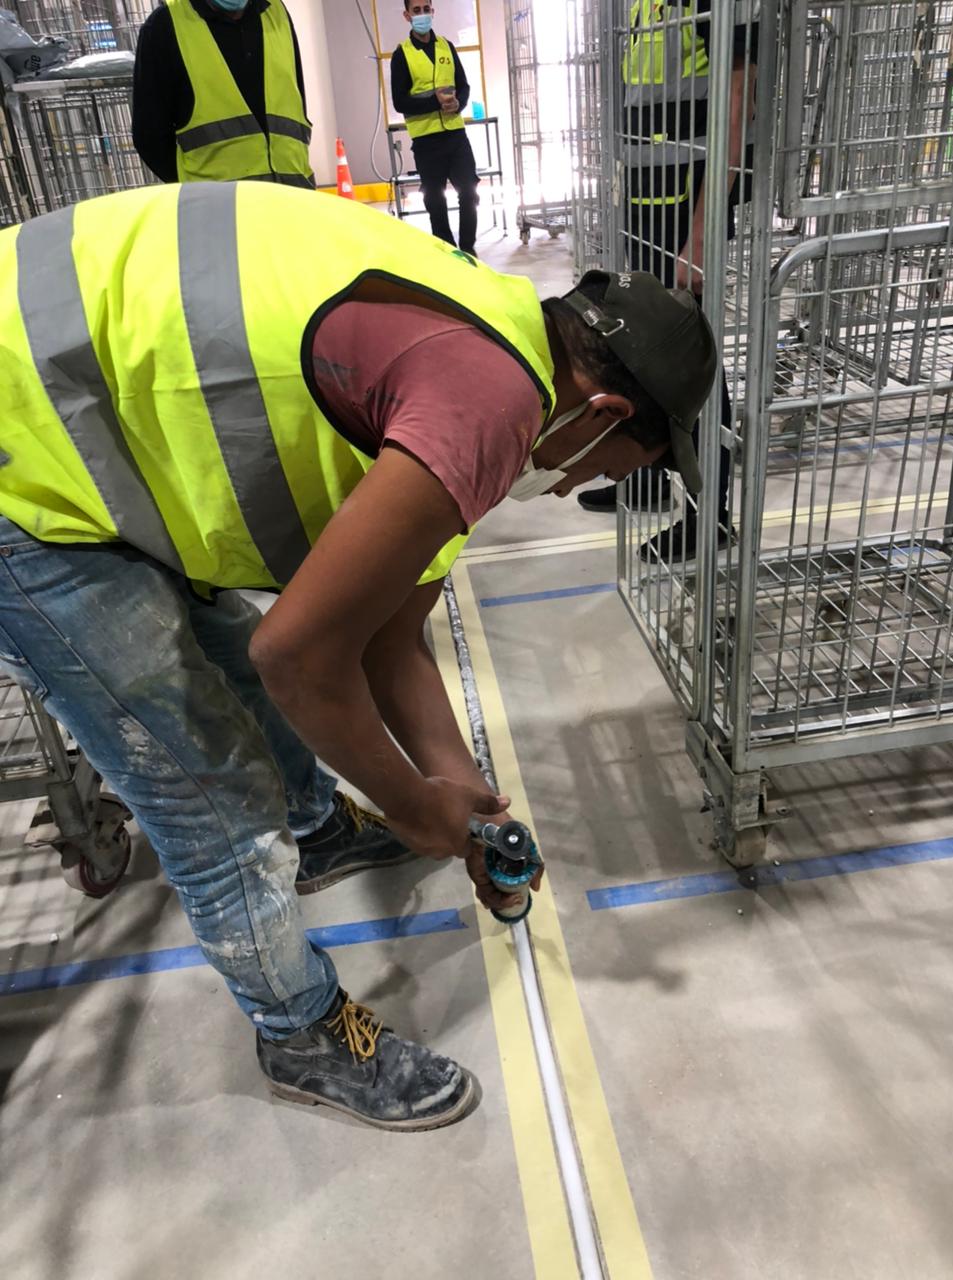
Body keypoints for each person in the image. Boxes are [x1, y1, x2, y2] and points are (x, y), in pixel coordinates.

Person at [0, 182, 715, 1130]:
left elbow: (391, 636)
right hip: (24, 440)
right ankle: (297, 1031)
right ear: (608, 411)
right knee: (209, 790)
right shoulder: (490, 408)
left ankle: (320, 830)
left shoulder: (504, 338)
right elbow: (300, 657)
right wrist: (414, 805)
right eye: (626, 464)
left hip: (68, 397)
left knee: (226, 665)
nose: (580, 486)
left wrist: (466, 800)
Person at [577, 0, 757, 565]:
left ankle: (709, 514)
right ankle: (648, 477)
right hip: (646, 208)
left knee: (692, 363)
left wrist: (702, 233)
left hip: (686, 210)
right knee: (638, 352)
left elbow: (738, 99)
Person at [132, 0, 313, 187]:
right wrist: (194, 189)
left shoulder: (276, 12)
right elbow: (150, 137)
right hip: (218, 202)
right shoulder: (164, 25)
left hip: (293, 196)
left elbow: (296, 106)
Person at [390, 2, 479, 255]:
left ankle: (468, 250)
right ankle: (449, 253)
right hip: (426, 140)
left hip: (455, 134)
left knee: (469, 192)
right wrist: (435, 103)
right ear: (407, 15)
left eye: (426, 9)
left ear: (433, 11)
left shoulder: (446, 46)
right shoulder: (402, 54)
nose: (422, 15)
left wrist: (459, 103)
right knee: (435, 200)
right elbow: (400, 102)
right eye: (416, 10)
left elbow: (463, 85)